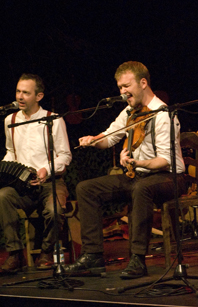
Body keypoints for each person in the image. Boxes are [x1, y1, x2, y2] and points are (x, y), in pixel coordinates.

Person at [64, 61, 186, 279]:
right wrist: (94, 140)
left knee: (141, 188)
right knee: (86, 189)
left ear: (143, 83)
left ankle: (138, 259)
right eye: (120, 87)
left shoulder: (163, 114)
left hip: (169, 178)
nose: (122, 92)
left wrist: (136, 163)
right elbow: (111, 136)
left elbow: (166, 161)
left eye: (126, 86)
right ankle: (93, 256)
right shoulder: (130, 112)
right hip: (138, 175)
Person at [0, 73, 72, 272]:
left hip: (50, 183)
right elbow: (11, 151)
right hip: (22, 185)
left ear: (38, 96)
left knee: (55, 209)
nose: (20, 96)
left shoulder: (53, 120)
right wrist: (5, 168)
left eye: (26, 93)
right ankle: (15, 254)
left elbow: (65, 155)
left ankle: (46, 252)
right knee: (3, 196)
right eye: (18, 91)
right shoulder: (9, 120)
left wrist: (46, 170)